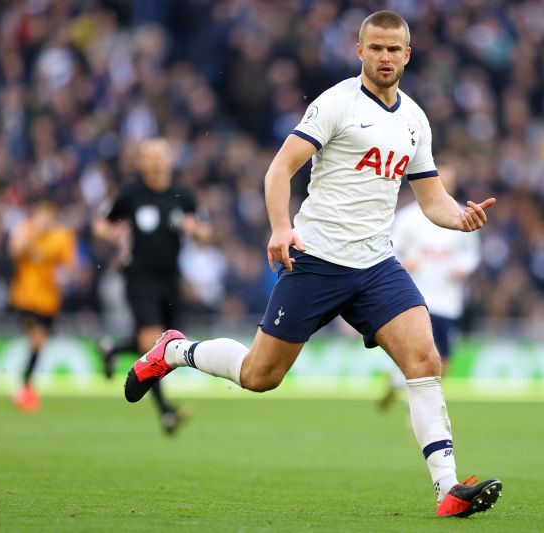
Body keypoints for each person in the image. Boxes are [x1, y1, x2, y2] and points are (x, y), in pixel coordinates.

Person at [123, 11, 502, 517]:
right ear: (360, 51)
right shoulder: (337, 104)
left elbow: (432, 199)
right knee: (260, 376)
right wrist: (282, 228)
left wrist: (461, 218)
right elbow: (280, 168)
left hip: (375, 265)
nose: (385, 57)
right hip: (317, 260)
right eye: (377, 48)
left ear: (408, 55)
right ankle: (175, 351)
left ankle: (448, 490)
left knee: (425, 361)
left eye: (394, 49)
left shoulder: (414, 119)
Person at [93, 137, 211, 434]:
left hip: (171, 281)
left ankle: (114, 347)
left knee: (167, 345)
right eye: (151, 156)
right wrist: (113, 235)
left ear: (170, 159)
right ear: (141, 162)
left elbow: (206, 232)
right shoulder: (132, 194)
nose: (157, 160)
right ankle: (166, 412)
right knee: (153, 344)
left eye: (162, 155)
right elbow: (101, 223)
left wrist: (196, 230)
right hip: (139, 278)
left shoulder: (183, 196)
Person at [379, 165, 481, 409]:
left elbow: (472, 254)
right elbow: (389, 247)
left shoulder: (461, 214)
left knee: (445, 359)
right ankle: (421, 402)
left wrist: (462, 268)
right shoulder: (409, 216)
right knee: (418, 351)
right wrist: (404, 264)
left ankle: (401, 384)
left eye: (450, 180)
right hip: (416, 295)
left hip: (447, 297)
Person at [9, 199, 77, 411]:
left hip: (49, 301)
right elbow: (14, 251)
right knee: (37, 339)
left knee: (39, 344)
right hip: (26, 298)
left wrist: (63, 276)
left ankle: (26, 386)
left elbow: (71, 268)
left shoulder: (63, 236)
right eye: (41, 214)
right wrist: (33, 237)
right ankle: (25, 389)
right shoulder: (26, 229)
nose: (45, 219)